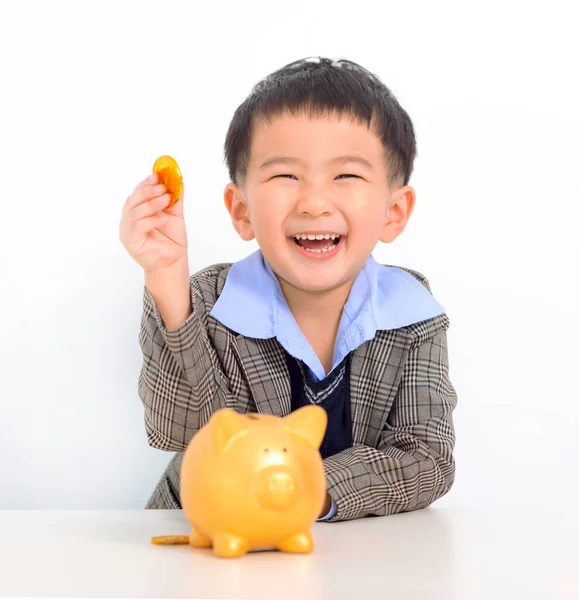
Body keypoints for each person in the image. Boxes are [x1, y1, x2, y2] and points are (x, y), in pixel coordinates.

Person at [119, 56, 458, 522]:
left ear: (394, 212)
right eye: (285, 176)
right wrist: (166, 280)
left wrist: (303, 489)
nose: (315, 203)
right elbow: (181, 432)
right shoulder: (207, 302)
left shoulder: (413, 313)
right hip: (208, 540)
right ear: (240, 210)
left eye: (346, 175)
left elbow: (427, 458)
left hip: (343, 556)